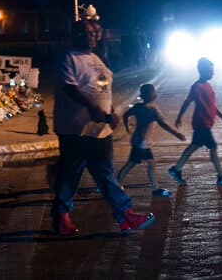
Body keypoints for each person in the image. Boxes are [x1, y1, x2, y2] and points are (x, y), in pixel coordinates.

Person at [50, 15, 155, 235]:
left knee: (106, 176)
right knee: (69, 176)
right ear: (76, 35)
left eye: (94, 33)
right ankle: (61, 218)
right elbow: (70, 88)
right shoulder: (68, 58)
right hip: (76, 131)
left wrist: (111, 113)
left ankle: (126, 215)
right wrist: (91, 108)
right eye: (87, 33)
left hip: (100, 131)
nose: (92, 37)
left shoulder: (97, 59)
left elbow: (103, 91)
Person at [168, 56, 222, 186]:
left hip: (205, 123)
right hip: (201, 123)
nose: (213, 73)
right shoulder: (197, 87)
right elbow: (187, 102)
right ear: (203, 71)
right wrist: (179, 117)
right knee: (213, 147)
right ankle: (221, 175)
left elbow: (212, 105)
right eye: (210, 71)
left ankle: (176, 169)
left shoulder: (208, 86)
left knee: (193, 146)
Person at [117, 83, 186, 197]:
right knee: (133, 164)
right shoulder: (151, 109)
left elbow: (126, 115)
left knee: (149, 163)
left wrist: (127, 127)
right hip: (141, 143)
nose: (155, 93)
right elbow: (163, 124)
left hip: (142, 142)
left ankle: (155, 189)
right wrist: (177, 134)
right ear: (149, 95)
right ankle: (117, 184)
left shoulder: (138, 107)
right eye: (153, 92)